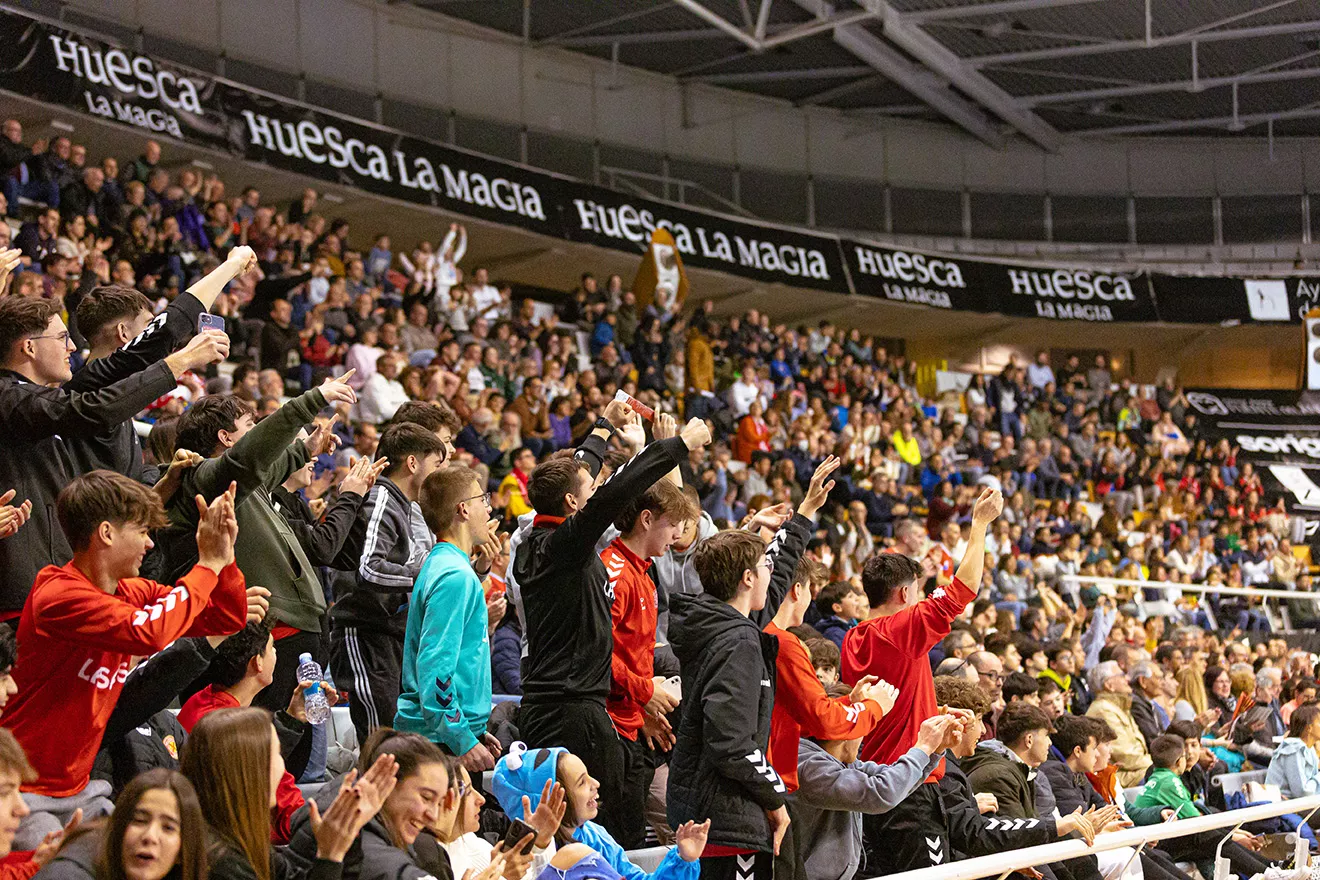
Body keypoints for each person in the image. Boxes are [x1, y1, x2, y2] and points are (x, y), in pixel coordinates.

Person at [3, 472, 247, 851]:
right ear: (106, 533)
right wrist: (207, 565)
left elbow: (225, 618)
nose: (150, 544)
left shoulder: (132, 591)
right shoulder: (57, 594)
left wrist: (225, 559)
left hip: (81, 788)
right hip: (22, 791)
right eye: (143, 531)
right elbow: (149, 633)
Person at [515, 403, 709, 843]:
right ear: (572, 504)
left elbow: (582, 472)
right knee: (605, 836)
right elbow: (614, 495)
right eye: (589, 488)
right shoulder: (565, 546)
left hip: (558, 706)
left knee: (582, 835)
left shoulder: (536, 542)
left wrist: (602, 426)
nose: (596, 485)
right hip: (574, 711)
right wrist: (676, 448)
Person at [0, 278, 230, 617]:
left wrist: (164, 484)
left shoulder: (47, 401)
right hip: (23, 597)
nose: (72, 348)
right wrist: (179, 362)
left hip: (56, 587)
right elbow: (98, 407)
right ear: (29, 347)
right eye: (62, 338)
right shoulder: (11, 397)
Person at [665, 458, 829, 880]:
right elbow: (731, 741)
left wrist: (805, 514)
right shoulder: (738, 640)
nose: (770, 574)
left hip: (710, 812)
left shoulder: (720, 623)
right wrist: (775, 800)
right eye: (763, 568)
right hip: (728, 819)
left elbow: (771, 586)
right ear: (744, 579)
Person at [158, 374, 357, 713]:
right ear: (226, 437)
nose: (258, 432)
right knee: (265, 750)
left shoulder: (242, 485)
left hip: (295, 633)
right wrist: (311, 400)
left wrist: (305, 449)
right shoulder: (202, 476)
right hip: (270, 634)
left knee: (290, 750)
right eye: (250, 425)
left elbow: (267, 467)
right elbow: (250, 459)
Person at [841, 488, 1001, 870]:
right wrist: (978, 526)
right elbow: (963, 591)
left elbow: (889, 699)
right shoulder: (900, 627)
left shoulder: (853, 636)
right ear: (905, 592)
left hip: (873, 783)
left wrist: (932, 709)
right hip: (910, 786)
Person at [329, 423, 447, 743]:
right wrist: (425, 573)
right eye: (436, 464)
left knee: (395, 740)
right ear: (412, 463)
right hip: (363, 633)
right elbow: (367, 569)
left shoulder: (401, 504)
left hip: (385, 634)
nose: (439, 475)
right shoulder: (381, 497)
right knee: (379, 740)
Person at [600, 465, 697, 848]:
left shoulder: (645, 572)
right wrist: (644, 692)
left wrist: (642, 712)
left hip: (632, 720)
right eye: (672, 524)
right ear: (646, 519)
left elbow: (632, 654)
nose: (677, 534)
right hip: (608, 727)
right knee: (617, 840)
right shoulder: (615, 573)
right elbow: (596, 654)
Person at [181, 707, 396, 880]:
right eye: (276, 754)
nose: (283, 767)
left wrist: (341, 838)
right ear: (251, 771)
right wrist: (330, 855)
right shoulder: (221, 864)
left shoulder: (236, 842)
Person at [177, 621, 333, 845]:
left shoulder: (201, 702)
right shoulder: (229, 728)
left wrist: (292, 717)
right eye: (272, 647)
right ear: (257, 662)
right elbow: (289, 813)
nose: (277, 652)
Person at [793, 693, 958, 880]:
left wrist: (934, 751)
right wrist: (923, 747)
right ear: (845, 731)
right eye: (863, 726)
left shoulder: (841, 762)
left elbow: (894, 780)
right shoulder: (809, 766)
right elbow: (883, 792)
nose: (864, 738)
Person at [395, 466, 497, 766]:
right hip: (440, 743)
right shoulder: (455, 577)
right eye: (483, 499)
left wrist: (474, 728)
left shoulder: (444, 565)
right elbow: (435, 668)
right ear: (463, 509)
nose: (488, 508)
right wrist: (461, 736)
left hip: (446, 734)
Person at [491, 743, 705, 880]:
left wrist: (683, 860)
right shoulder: (521, 862)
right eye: (582, 783)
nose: (596, 784)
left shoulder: (596, 835)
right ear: (554, 798)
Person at [288, 730, 467, 880]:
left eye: (439, 802)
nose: (433, 815)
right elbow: (379, 863)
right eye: (426, 798)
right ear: (386, 783)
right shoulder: (345, 825)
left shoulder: (384, 824)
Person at [35, 769, 210, 880]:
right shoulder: (69, 873)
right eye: (139, 821)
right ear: (118, 828)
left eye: (168, 828)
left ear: (183, 850)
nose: (150, 836)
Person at [1084, 661, 1152, 787]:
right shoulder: (1103, 710)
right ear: (1109, 685)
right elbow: (1125, 756)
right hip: (1119, 778)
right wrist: (1157, 762)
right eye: (1121, 675)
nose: (1127, 678)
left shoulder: (1118, 706)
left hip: (1135, 771)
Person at [1266, 702, 1320, 799]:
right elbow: (1302, 793)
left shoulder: (1309, 748)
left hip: (1302, 804)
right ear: (1309, 728)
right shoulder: (1294, 749)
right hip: (1283, 806)